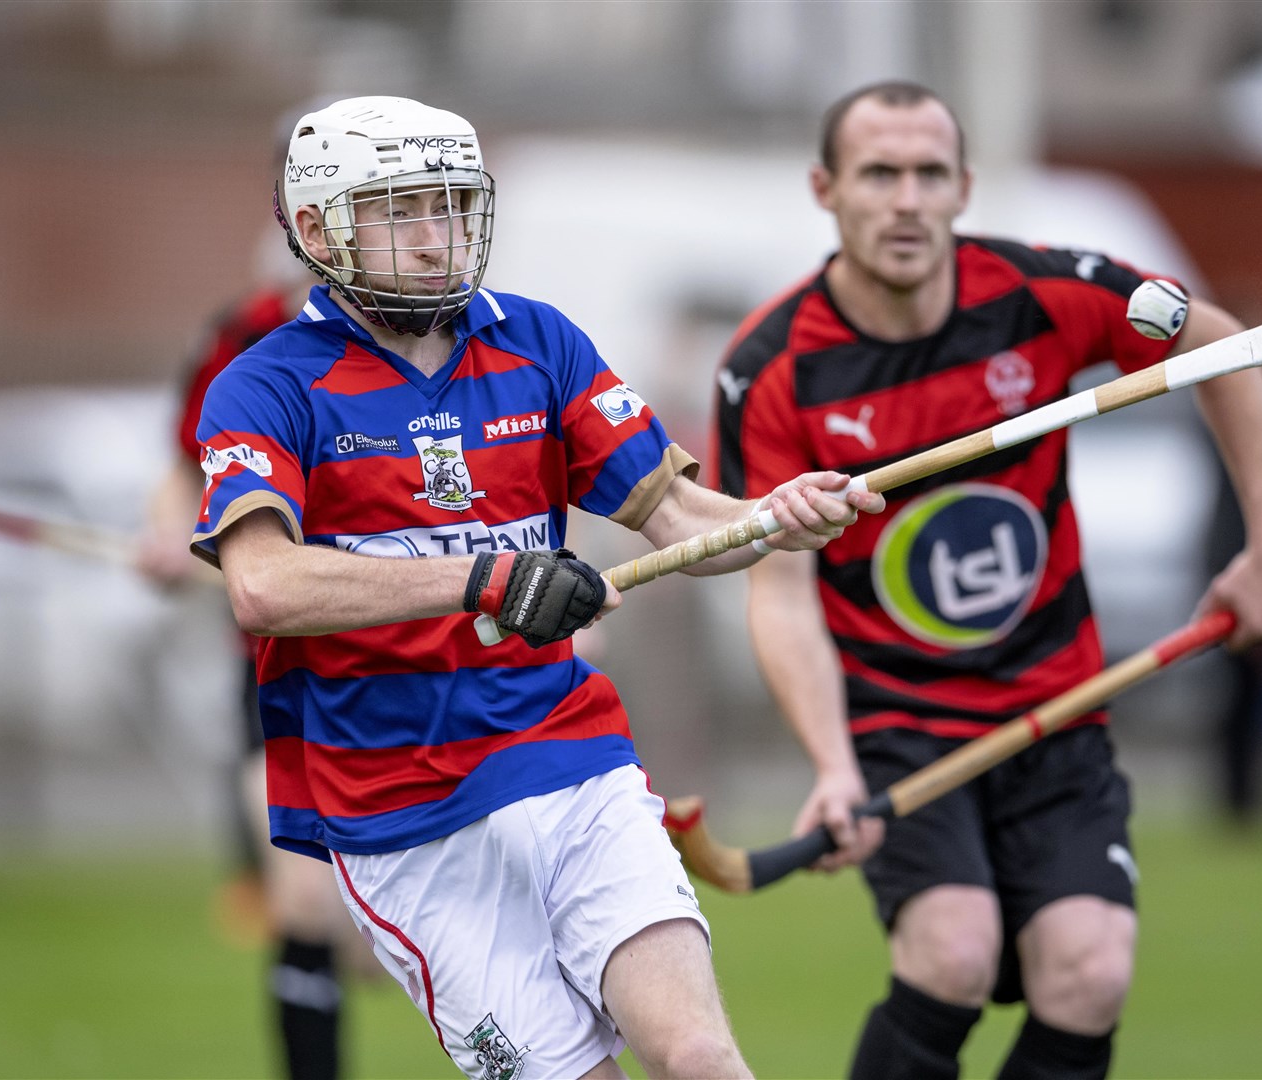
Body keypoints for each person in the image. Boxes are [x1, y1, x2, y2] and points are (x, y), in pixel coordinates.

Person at [188, 95, 882, 1080]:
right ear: (314, 228)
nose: (438, 242)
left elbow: (686, 524)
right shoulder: (264, 386)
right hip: (399, 815)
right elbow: (261, 586)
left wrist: (774, 516)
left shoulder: (539, 344)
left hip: (570, 764)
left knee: (698, 1056)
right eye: (400, 211)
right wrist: (485, 580)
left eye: (453, 207)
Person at [713, 81, 1262, 1079]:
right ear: (827, 189)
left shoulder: (1041, 295)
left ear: (964, 187)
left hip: (1057, 705)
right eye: (879, 174)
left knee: (1090, 971)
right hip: (897, 725)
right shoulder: (771, 369)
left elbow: (1224, 346)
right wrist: (832, 765)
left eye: (929, 174)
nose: (906, 200)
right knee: (952, 953)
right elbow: (777, 589)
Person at [139, 256, 389, 1079]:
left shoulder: (443, 328)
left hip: (418, 672)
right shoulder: (243, 337)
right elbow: (188, 469)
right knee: (304, 900)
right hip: (283, 675)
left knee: (385, 943)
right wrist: (168, 533)